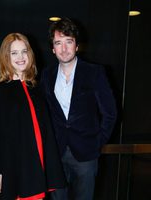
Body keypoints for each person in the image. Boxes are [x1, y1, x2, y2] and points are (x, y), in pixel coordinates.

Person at [0, 33, 66, 200]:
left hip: (36, 162)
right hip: (13, 165)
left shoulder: (36, 88)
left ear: (30, 54)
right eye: (14, 53)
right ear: (6, 57)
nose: (20, 57)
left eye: (24, 51)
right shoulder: (0, 91)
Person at [40, 18, 117, 200]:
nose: (64, 48)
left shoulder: (94, 72)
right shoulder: (46, 75)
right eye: (59, 43)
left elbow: (110, 113)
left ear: (77, 46)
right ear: (53, 48)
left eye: (69, 41)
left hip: (86, 154)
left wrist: (97, 142)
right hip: (56, 153)